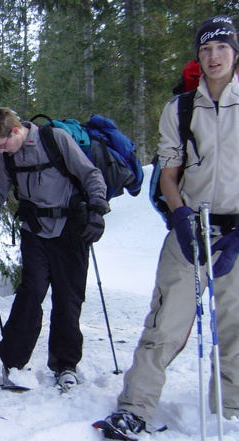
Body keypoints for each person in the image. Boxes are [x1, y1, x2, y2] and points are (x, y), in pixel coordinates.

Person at [97, 16, 239, 439]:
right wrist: (179, 219)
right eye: (206, 50)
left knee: (234, 327)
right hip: (191, 226)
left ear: (235, 53)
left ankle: (229, 411)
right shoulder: (179, 108)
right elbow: (169, 175)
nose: (214, 57)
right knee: (164, 323)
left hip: (235, 231)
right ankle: (135, 407)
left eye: (222, 49)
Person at [0, 107, 109, 391]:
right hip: (35, 230)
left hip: (71, 228)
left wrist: (98, 209)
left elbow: (90, 174)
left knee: (69, 298)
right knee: (31, 294)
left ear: (15, 131)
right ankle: (13, 363)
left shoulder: (55, 139)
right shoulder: (3, 155)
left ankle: (66, 365)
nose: (1, 151)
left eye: (3, 144)